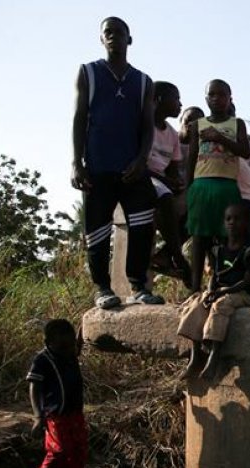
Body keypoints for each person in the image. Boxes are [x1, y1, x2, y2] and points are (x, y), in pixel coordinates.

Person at [72, 16, 163, 308]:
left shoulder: (143, 81)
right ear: (101, 39)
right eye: (107, 32)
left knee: (141, 225)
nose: (113, 36)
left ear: (129, 38)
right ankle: (102, 289)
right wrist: (76, 161)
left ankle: (139, 286)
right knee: (97, 229)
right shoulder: (88, 72)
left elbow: (147, 126)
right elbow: (79, 118)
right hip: (98, 165)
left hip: (132, 167)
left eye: (118, 32)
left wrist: (141, 159)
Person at [178, 203, 250, 382]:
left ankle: (214, 356)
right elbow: (215, 276)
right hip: (219, 291)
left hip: (240, 294)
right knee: (198, 303)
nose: (232, 223)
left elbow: (248, 282)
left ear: (246, 223)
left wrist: (222, 293)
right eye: (228, 219)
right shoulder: (218, 250)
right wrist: (209, 292)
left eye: (237, 219)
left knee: (220, 306)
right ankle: (195, 355)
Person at [184, 79, 250, 293]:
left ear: (230, 98)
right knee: (199, 238)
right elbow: (191, 158)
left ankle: (224, 284)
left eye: (222, 94)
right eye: (212, 95)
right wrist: (188, 189)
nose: (217, 99)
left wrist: (218, 137)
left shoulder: (237, 123)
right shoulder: (197, 125)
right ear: (206, 99)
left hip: (227, 186)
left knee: (228, 237)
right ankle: (195, 288)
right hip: (202, 185)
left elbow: (245, 151)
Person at [26, 319, 86, 468]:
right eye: (64, 347)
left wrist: (84, 327)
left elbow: (78, 344)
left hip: (75, 413)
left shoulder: (69, 352)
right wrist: (38, 416)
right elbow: (34, 387)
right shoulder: (42, 360)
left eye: (71, 346)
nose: (70, 351)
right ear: (48, 343)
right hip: (56, 416)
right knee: (60, 450)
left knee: (79, 452)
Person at [147, 81, 191, 287]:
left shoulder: (171, 134)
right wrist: (167, 182)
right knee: (164, 198)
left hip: (161, 181)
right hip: (141, 178)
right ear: (159, 100)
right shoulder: (143, 125)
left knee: (196, 210)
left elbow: (172, 169)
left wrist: (177, 183)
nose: (180, 104)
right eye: (176, 99)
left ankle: (166, 255)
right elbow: (136, 163)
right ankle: (178, 257)